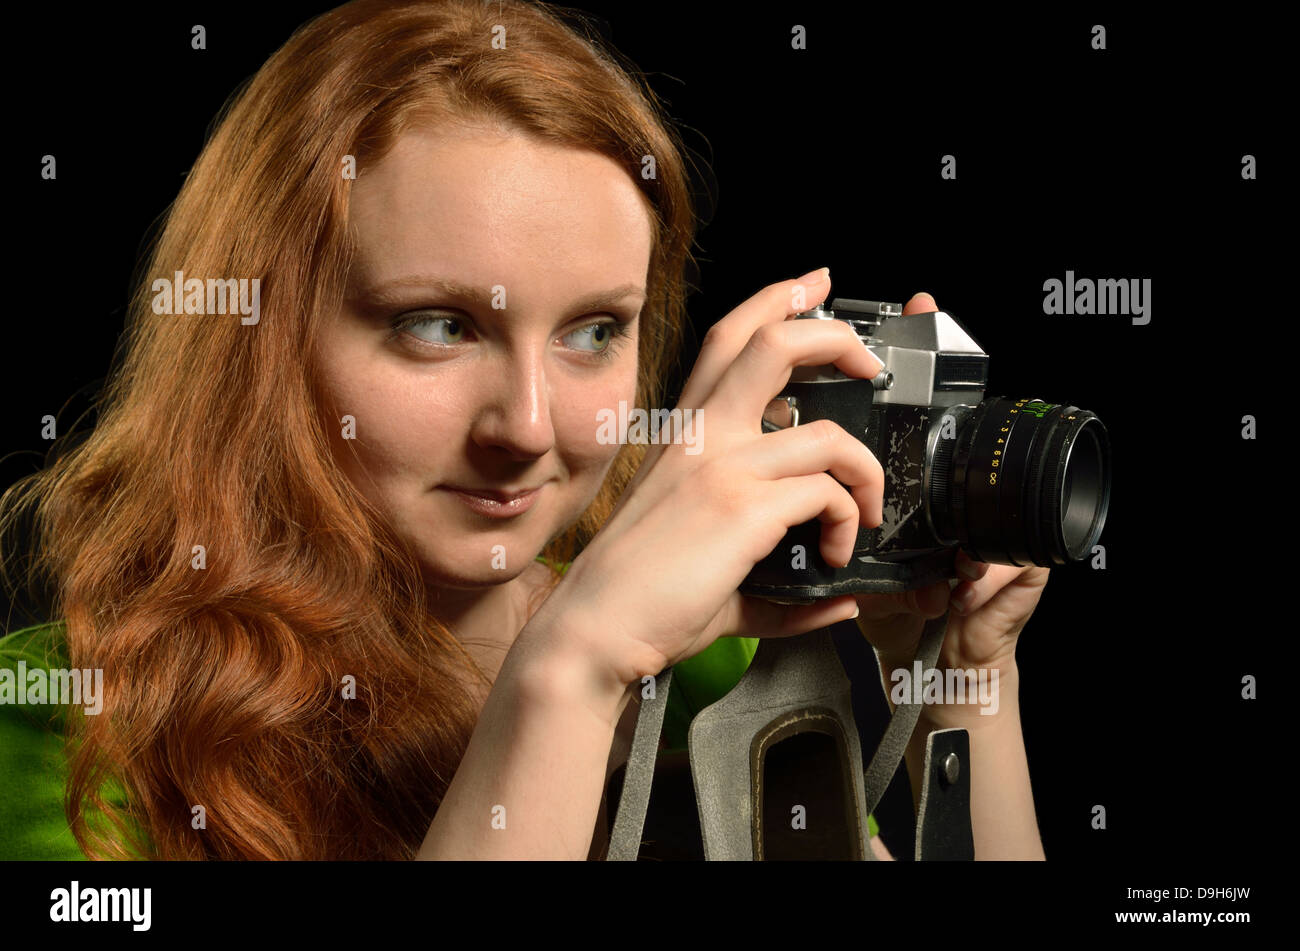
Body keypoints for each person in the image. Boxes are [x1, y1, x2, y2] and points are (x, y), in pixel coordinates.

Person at [0, 0, 1046, 861]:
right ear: (259, 341)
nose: (529, 428)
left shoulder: (703, 669)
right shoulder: (67, 725)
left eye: (593, 333)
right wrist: (574, 670)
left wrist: (965, 679)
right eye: (438, 326)